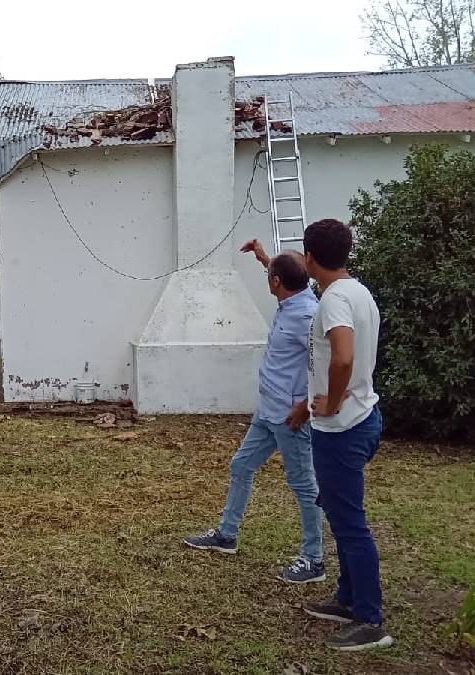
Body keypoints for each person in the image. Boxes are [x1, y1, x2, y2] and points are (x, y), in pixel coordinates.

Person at [183, 240, 325, 583]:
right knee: (242, 465)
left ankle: (314, 559)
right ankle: (227, 535)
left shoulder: (307, 315)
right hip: (268, 410)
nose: (269, 277)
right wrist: (265, 259)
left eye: (270, 273)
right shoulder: (292, 297)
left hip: (290, 416)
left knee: (304, 485)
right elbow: (285, 275)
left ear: (277, 283)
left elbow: (324, 361)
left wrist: (305, 406)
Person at [298, 219, 392, 651]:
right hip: (362, 417)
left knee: (350, 525)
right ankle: (348, 598)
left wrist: (332, 402)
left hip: (343, 426)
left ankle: (370, 620)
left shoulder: (334, 299)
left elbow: (342, 359)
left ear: (310, 257)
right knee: (340, 514)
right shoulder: (358, 291)